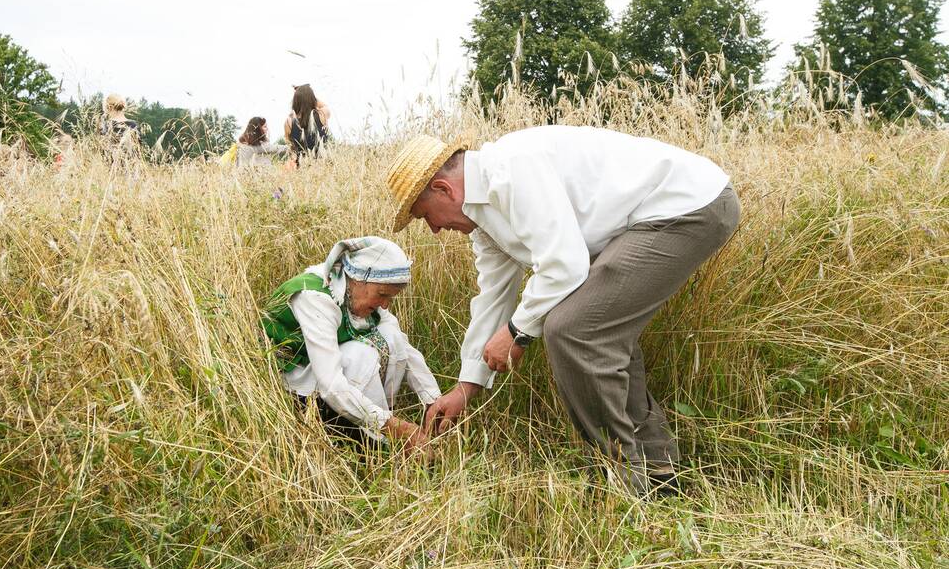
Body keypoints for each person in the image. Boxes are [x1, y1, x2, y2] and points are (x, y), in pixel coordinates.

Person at [385, 126, 740, 495]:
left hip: (689, 206)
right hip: (659, 216)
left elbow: (565, 265)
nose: (435, 230)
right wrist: (464, 387)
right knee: (595, 326)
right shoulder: (484, 220)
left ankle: (622, 481)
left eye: (426, 215)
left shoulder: (510, 171)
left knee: (574, 329)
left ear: (444, 189)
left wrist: (518, 331)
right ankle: (658, 473)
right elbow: (493, 297)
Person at [262, 236, 440, 453]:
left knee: (390, 335)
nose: (384, 304)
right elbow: (331, 385)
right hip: (298, 388)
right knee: (360, 355)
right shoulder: (315, 297)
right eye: (382, 294)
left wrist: (433, 401)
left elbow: (404, 348)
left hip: (327, 377)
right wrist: (393, 427)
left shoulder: (356, 292)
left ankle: (377, 419)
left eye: (390, 298)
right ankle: (373, 444)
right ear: (359, 278)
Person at [283, 84, 330, 165]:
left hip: (302, 170)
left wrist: (298, 94)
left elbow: (290, 147)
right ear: (313, 99)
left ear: (295, 100)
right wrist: (308, 94)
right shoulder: (322, 115)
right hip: (324, 167)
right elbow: (324, 105)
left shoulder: (288, 122)